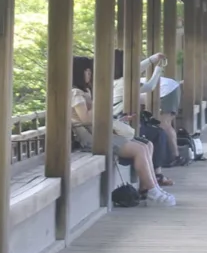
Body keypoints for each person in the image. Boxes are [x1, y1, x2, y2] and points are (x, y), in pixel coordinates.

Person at [70, 56, 176, 206]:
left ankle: (149, 187)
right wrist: (98, 100)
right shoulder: (75, 93)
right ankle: (153, 190)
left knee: (147, 145)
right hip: (92, 137)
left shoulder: (86, 90)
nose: (90, 74)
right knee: (139, 150)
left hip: (101, 132)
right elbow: (86, 118)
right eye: (87, 71)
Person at [113, 50, 176, 182]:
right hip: (119, 125)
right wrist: (158, 69)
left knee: (153, 134)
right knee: (158, 134)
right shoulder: (124, 82)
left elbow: (134, 70)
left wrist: (152, 59)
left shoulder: (114, 80)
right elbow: (150, 86)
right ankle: (156, 175)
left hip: (118, 121)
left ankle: (154, 176)